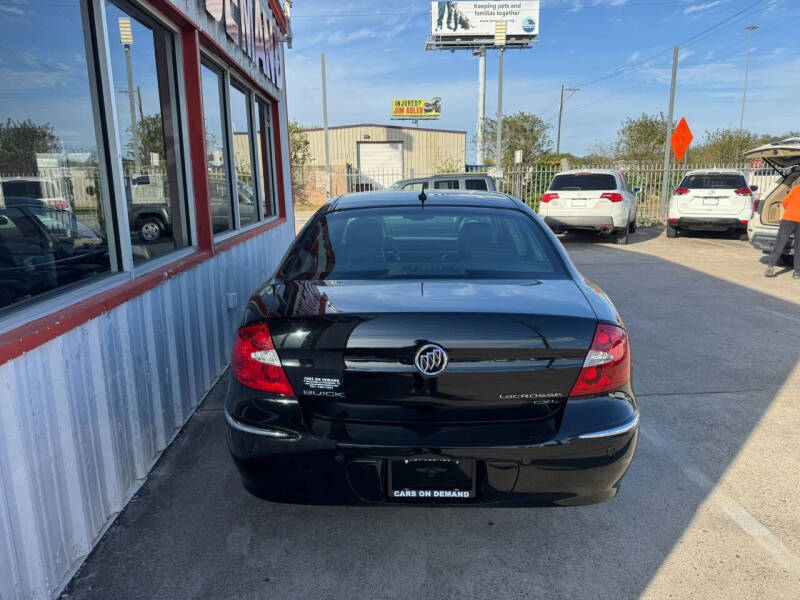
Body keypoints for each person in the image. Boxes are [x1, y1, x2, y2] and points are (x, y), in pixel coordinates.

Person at [765, 182, 800, 278]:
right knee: (799, 248)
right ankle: (797, 272)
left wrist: (791, 210)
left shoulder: (796, 188)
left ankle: (770, 268)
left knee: (780, 243)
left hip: (788, 219)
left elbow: (785, 202)